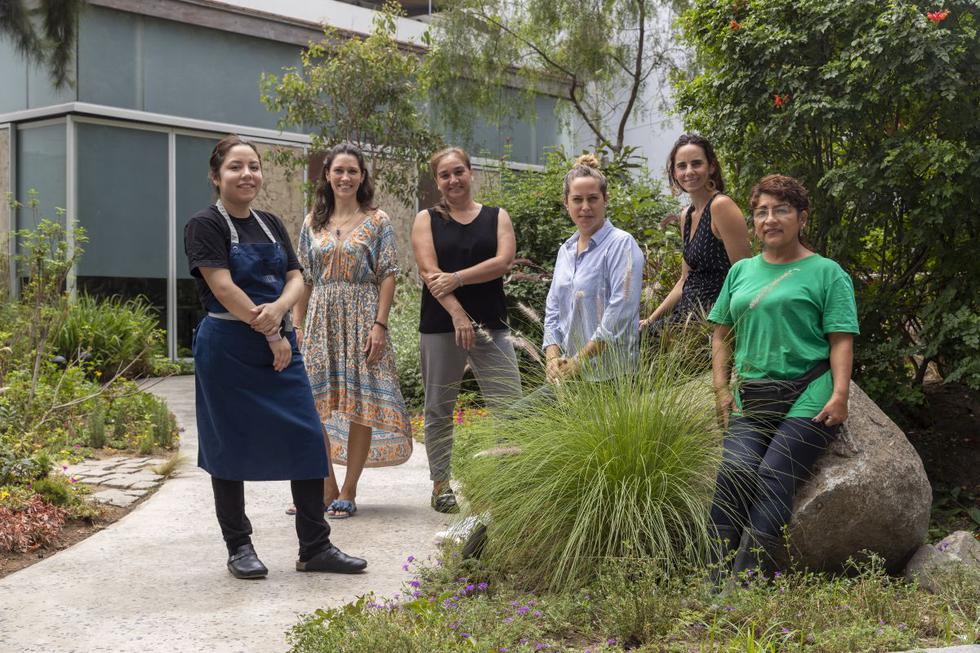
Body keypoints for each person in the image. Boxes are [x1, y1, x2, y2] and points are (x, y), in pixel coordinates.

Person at [184, 135, 366, 579]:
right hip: (227, 349)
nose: (247, 174)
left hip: (279, 344)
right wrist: (272, 333)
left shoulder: (270, 222)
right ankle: (239, 547)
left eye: (254, 166)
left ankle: (314, 547)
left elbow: (295, 275)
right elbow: (223, 288)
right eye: (235, 167)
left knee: (307, 436)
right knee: (228, 446)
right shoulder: (203, 225)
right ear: (216, 175)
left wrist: (283, 311)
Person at [706, 174, 859, 576]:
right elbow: (720, 335)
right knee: (736, 472)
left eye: (781, 210)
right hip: (752, 393)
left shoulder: (827, 273)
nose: (770, 219)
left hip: (808, 390)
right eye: (761, 212)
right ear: (754, 221)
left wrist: (839, 393)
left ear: (802, 218)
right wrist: (722, 390)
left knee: (774, 474)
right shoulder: (740, 273)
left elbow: (841, 339)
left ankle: (747, 580)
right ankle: (711, 576)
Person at [291, 143, 412, 519]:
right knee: (314, 405)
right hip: (321, 319)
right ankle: (325, 484)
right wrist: (297, 324)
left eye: (353, 171)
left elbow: (388, 274)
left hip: (362, 317)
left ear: (362, 177)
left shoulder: (378, 220)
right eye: (339, 170)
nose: (345, 178)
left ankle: (349, 488)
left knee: (361, 404)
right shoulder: (312, 222)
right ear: (327, 175)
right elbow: (303, 278)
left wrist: (380, 324)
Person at [411, 146, 522, 513]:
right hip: (442, 325)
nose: (453, 180)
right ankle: (441, 485)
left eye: (458, 172)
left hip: (492, 324)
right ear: (437, 181)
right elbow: (429, 274)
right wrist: (458, 313)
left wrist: (456, 277)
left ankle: (509, 483)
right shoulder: (426, 219)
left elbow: (502, 263)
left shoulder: (496, 217)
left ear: (471, 173)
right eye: (445, 175)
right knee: (439, 407)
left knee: (509, 406)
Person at [543, 154, 645, 383]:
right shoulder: (565, 251)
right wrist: (552, 359)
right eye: (577, 199)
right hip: (568, 374)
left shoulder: (621, 244)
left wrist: (580, 360)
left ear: (605, 199)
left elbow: (620, 310)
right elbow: (553, 308)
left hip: (611, 377)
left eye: (593, 199)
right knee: (516, 417)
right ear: (566, 202)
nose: (585, 207)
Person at [641, 134, 751, 330]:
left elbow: (745, 275)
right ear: (674, 173)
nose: (689, 171)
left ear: (712, 167)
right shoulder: (687, 215)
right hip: (686, 316)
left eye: (696, 163)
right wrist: (651, 319)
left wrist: (722, 325)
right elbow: (685, 280)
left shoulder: (721, 206)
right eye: (682, 166)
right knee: (639, 334)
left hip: (714, 319)